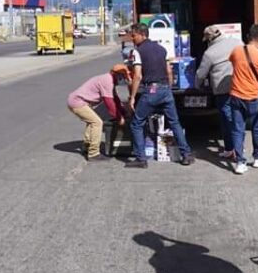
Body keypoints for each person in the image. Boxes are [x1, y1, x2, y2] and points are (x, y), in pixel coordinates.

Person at [125, 23, 195, 168]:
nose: (132, 38)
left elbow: (137, 76)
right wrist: (167, 88)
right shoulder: (162, 49)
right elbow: (169, 71)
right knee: (175, 122)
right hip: (165, 90)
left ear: (142, 34)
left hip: (151, 90)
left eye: (133, 35)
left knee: (136, 123)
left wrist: (132, 97)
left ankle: (141, 159)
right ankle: (186, 154)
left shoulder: (138, 51)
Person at [227, 24, 258, 174]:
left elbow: (233, 63)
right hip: (253, 96)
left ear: (249, 36)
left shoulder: (236, 51)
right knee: (256, 128)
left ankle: (240, 162)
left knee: (237, 129)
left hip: (236, 95)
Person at [195, 24, 243, 159]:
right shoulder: (237, 42)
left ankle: (232, 148)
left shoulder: (210, 53)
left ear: (209, 39)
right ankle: (237, 146)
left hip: (222, 89)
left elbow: (201, 74)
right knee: (237, 117)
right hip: (240, 85)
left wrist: (197, 86)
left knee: (227, 119)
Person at [67, 64, 132, 162]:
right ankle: (93, 154)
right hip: (77, 102)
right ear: (117, 75)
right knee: (97, 122)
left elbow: (116, 100)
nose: (123, 80)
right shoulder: (107, 81)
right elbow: (109, 104)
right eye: (123, 77)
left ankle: (87, 145)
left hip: (79, 101)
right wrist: (119, 118)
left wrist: (124, 112)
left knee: (92, 121)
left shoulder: (110, 81)